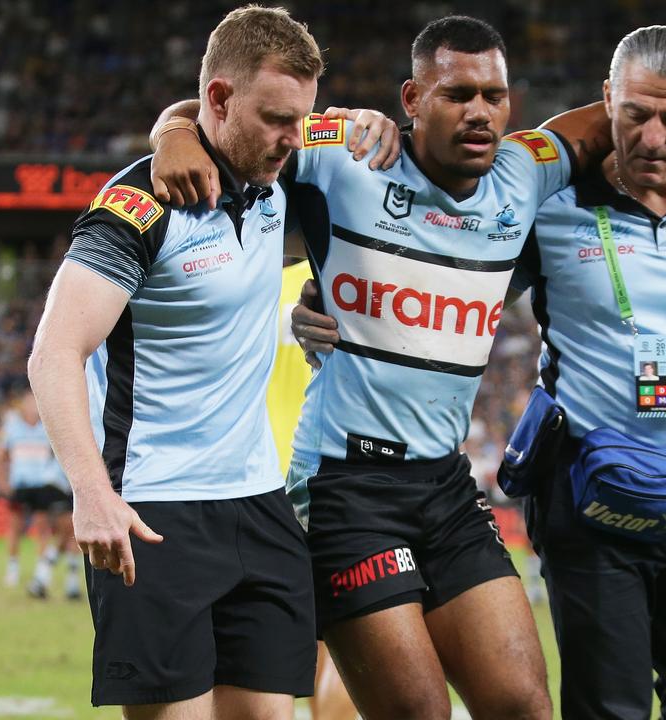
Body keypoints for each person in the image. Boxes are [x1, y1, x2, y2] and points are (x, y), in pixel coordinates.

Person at [285, 24, 666, 720]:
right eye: (635, 115)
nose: (655, 137)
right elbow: (235, 122)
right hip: (534, 489)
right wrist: (330, 288)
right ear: (609, 104)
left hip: (656, 497)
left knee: (600, 707)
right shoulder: (532, 202)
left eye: (494, 94)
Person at [148, 15, 648, 718]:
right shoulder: (350, 153)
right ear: (412, 100)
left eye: (494, 97)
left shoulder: (523, 172)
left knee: (524, 705)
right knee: (417, 713)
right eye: (457, 95)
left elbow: (640, 113)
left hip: (445, 481)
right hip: (345, 486)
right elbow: (224, 116)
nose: (479, 112)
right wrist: (170, 134)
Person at [29, 7, 397, 716]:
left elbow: (329, 148)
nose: (295, 139)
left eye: (303, 119)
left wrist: (372, 123)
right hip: (155, 508)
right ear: (222, 100)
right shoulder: (137, 206)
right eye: (277, 119)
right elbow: (53, 353)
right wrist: (90, 491)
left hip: (259, 501)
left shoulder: (275, 164)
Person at [268, 260, 357, 720]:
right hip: (324, 466)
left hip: (260, 479)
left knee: (261, 656)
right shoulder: (336, 270)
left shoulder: (253, 270)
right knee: (342, 641)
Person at [0, 384, 79, 600]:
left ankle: (52, 579)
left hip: (50, 486)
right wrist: (3, 482)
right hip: (32, 485)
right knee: (21, 528)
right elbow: (0, 456)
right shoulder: (13, 427)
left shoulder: (50, 424)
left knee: (64, 531)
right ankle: (31, 574)